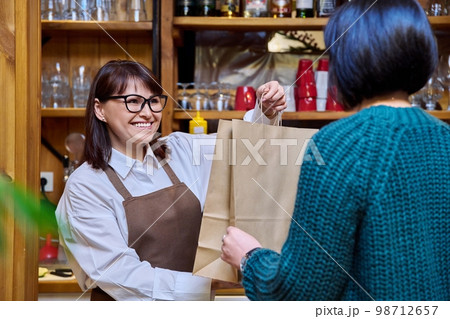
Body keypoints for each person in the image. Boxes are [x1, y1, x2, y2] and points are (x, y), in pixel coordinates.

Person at [221, 0, 450, 301]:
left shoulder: (340, 144)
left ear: (347, 61)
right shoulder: (444, 138)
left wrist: (249, 257)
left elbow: (301, 293)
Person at [55, 59, 287, 301]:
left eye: (154, 101)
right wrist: (205, 284)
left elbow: (241, 147)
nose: (147, 112)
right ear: (99, 109)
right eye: (132, 101)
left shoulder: (180, 150)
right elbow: (118, 273)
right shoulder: (85, 186)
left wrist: (265, 111)